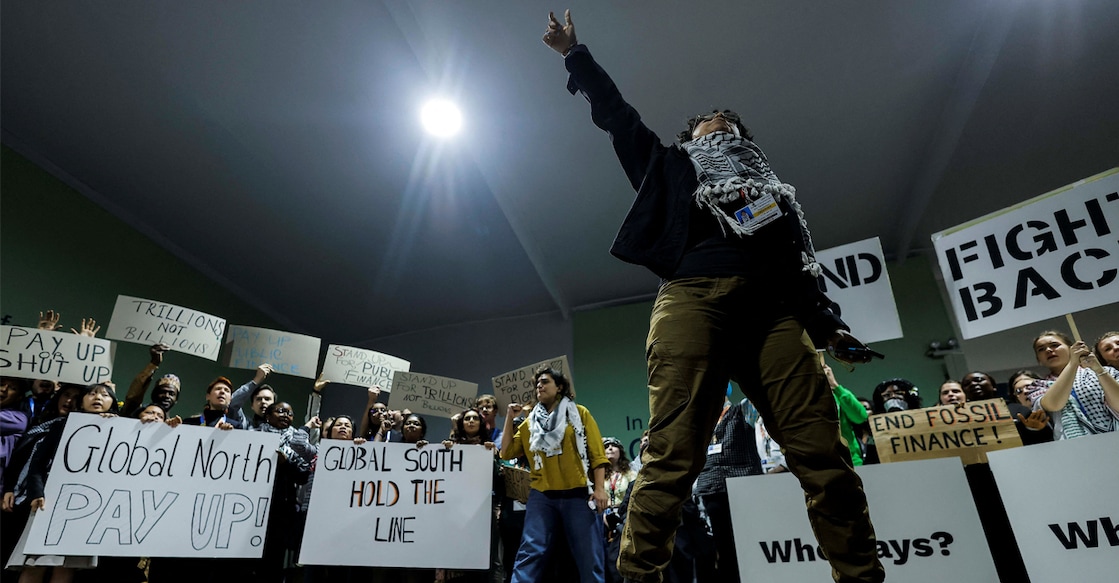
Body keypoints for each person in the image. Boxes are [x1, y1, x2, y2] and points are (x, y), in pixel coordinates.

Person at [542, 10, 884, 582]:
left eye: (730, 124)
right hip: (693, 300)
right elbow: (619, 119)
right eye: (708, 124)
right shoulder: (671, 168)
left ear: (746, 141)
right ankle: (640, 576)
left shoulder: (775, 198)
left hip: (775, 313)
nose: (720, 125)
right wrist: (575, 55)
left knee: (822, 453)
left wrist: (826, 325)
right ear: (690, 139)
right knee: (674, 451)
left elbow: (799, 269)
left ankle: (860, 575)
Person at [500, 366, 610, 582]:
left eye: (545, 382)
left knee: (589, 555)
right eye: (537, 384)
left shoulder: (579, 413)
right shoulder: (530, 422)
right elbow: (506, 451)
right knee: (530, 552)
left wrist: (599, 488)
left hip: (578, 495)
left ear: (559, 387)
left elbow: (597, 455)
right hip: (543, 497)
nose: (539, 386)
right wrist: (509, 418)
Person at [694, 388, 762, 583]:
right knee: (723, 545)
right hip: (711, 487)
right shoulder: (703, 423)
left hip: (741, 483)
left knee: (747, 541)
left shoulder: (743, 410)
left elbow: (758, 395)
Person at [1031, 331, 1119, 439]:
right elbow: (1054, 404)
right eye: (1041, 349)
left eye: (1055, 345)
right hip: (1075, 448)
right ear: (1039, 360)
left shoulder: (1105, 372)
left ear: (1070, 348)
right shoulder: (1038, 386)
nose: (1048, 350)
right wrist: (1073, 363)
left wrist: (1099, 370)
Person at [601, 437, 636, 583]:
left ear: (620, 451)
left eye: (614, 446)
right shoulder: (597, 474)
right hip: (602, 518)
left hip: (624, 518)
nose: (610, 448)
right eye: (606, 446)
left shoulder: (631, 474)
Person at [824, 364, 869, 466]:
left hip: (850, 461)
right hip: (819, 464)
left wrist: (835, 385)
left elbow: (860, 417)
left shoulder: (838, 394)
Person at [120, 343, 181, 417]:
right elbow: (133, 398)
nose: (166, 396)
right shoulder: (137, 414)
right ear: (153, 395)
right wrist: (154, 363)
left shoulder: (176, 426)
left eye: (172, 394)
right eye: (162, 392)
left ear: (176, 400)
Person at [228, 364, 275, 430]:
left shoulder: (286, 430)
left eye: (267, 399)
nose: (263, 401)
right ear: (252, 406)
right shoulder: (246, 425)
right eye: (259, 399)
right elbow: (232, 403)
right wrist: (256, 380)